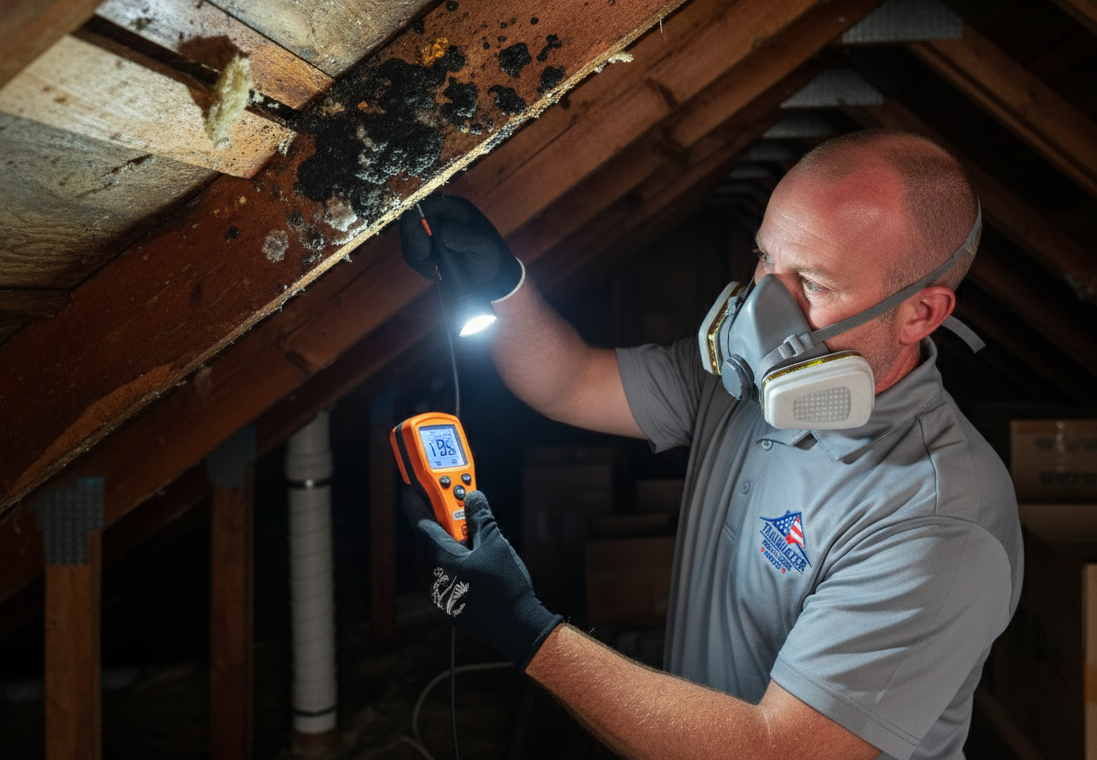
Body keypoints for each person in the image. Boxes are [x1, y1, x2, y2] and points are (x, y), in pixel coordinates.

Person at [400, 129, 1023, 760]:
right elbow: (569, 381)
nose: (761, 310)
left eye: (812, 284)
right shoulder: (736, 390)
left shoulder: (938, 521)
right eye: (765, 261)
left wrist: (525, 628)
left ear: (920, 313)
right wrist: (502, 283)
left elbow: (779, 752)